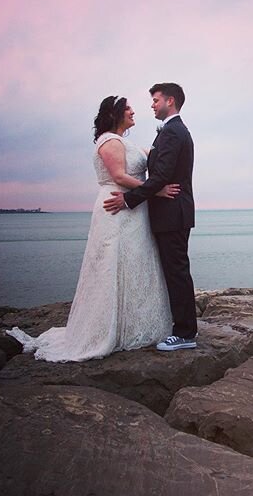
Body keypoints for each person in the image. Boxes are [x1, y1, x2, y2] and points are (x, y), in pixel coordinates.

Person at [6, 96, 176, 362]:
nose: (133, 111)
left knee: (135, 263)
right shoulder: (110, 141)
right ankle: (106, 330)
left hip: (134, 209)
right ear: (115, 114)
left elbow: (152, 157)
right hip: (116, 206)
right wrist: (156, 191)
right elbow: (119, 177)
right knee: (112, 263)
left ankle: (133, 324)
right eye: (128, 108)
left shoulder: (125, 142)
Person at [104, 83, 198, 352]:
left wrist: (128, 199)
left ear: (170, 100)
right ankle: (181, 328)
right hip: (171, 212)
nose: (152, 105)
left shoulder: (173, 131)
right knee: (174, 271)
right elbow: (160, 172)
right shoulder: (171, 131)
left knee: (177, 273)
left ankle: (185, 333)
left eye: (156, 100)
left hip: (173, 213)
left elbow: (161, 175)